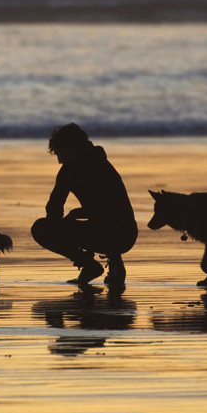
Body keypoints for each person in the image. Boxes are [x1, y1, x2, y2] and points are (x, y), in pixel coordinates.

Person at [31, 123, 137, 289]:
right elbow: (110, 207)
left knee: (40, 228)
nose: (59, 160)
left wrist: (60, 225)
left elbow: (54, 207)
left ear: (70, 149)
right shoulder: (103, 163)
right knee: (106, 221)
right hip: (128, 235)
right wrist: (77, 214)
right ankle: (115, 264)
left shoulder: (69, 171)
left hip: (110, 234)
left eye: (59, 154)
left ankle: (89, 264)